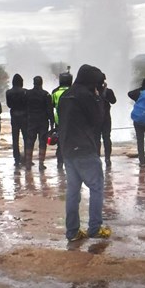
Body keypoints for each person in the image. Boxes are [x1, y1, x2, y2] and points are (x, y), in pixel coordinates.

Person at [58, 63, 111, 241]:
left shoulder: (66, 95)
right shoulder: (86, 96)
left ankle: (72, 231)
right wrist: (101, 97)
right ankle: (95, 228)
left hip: (67, 149)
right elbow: (98, 120)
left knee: (73, 191)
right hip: (84, 149)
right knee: (96, 187)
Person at [24, 76, 54, 171]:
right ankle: (41, 164)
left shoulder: (27, 94)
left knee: (30, 141)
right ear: (41, 83)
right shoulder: (46, 95)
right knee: (42, 142)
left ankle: (28, 163)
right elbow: (49, 110)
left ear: (33, 83)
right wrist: (52, 122)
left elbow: (24, 107)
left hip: (31, 120)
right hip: (43, 121)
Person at [5, 74, 28, 166]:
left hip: (14, 117)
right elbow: (27, 104)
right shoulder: (25, 92)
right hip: (24, 117)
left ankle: (16, 159)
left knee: (15, 139)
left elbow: (9, 105)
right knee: (26, 138)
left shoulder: (8, 92)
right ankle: (27, 157)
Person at [51, 71, 73, 171]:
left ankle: (60, 162)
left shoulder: (55, 92)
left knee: (60, 141)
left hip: (59, 119)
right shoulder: (73, 91)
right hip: (72, 119)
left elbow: (51, 105)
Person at [98, 77, 117, 168]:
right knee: (106, 138)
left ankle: (97, 157)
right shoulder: (108, 91)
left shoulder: (92, 91)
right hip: (106, 118)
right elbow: (113, 101)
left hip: (95, 118)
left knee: (96, 139)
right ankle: (107, 158)